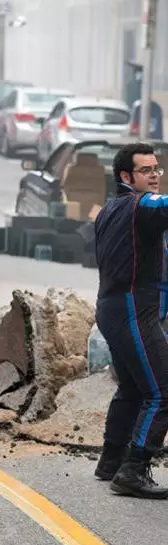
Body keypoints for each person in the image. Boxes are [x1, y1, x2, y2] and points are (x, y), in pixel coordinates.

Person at [93, 142, 168, 499]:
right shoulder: (141, 205)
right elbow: (161, 206)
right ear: (126, 176)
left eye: (157, 169)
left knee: (134, 388)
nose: (154, 176)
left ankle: (111, 461)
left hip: (114, 309)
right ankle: (134, 469)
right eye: (146, 170)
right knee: (163, 390)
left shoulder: (111, 208)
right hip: (132, 311)